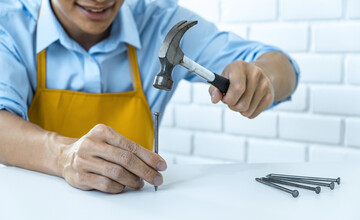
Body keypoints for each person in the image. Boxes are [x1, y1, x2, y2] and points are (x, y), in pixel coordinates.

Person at [0, 0, 299, 193]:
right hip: (39, 213)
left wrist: (263, 76)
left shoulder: (159, 20)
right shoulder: (9, 25)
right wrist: (63, 155)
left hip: (135, 211)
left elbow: (282, 67)